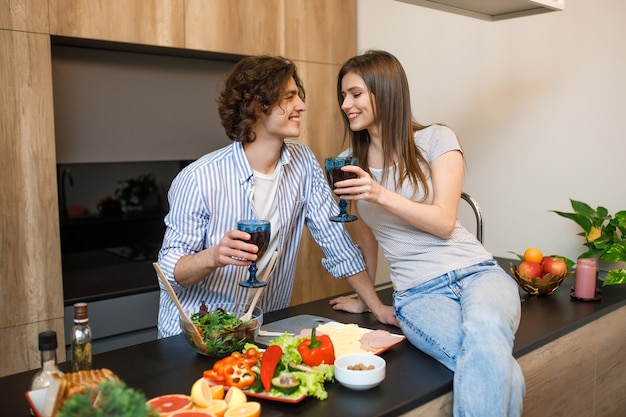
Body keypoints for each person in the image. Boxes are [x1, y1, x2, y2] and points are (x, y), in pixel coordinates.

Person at [329, 50, 525, 417]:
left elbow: (443, 222)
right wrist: (368, 299)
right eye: (343, 96)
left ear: (384, 90)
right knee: (496, 364)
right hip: (418, 293)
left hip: (478, 272)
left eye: (354, 94)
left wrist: (379, 193)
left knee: (484, 330)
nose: (345, 105)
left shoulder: (436, 139)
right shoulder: (348, 163)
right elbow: (367, 237)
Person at [156, 55, 395, 339]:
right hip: (196, 337)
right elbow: (170, 272)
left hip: (261, 330)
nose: (301, 106)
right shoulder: (198, 178)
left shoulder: (303, 162)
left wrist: (376, 307)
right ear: (258, 105)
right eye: (289, 97)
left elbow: (336, 241)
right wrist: (215, 256)